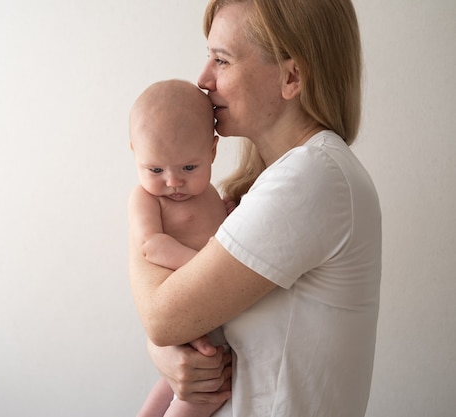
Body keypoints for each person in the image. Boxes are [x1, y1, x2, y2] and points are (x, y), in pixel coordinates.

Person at [129, 1, 381, 416]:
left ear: (291, 76)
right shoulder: (275, 183)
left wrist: (140, 212)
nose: (203, 79)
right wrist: (169, 357)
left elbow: (162, 317)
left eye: (221, 60)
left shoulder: (311, 178)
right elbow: (185, 320)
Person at [128, 79, 231, 417]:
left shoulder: (211, 195)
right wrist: (208, 264)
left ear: (212, 152)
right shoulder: (144, 198)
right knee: (200, 395)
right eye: (155, 169)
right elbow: (151, 247)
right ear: (135, 152)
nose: (173, 182)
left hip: (211, 309)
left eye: (189, 167)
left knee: (176, 384)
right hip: (181, 305)